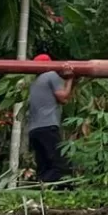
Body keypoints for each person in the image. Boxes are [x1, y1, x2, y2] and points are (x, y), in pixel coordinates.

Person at [27, 54, 75, 183]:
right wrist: (70, 79)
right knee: (60, 165)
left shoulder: (35, 82)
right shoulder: (51, 75)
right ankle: (62, 190)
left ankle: (42, 189)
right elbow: (63, 98)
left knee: (44, 166)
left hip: (34, 130)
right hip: (47, 126)